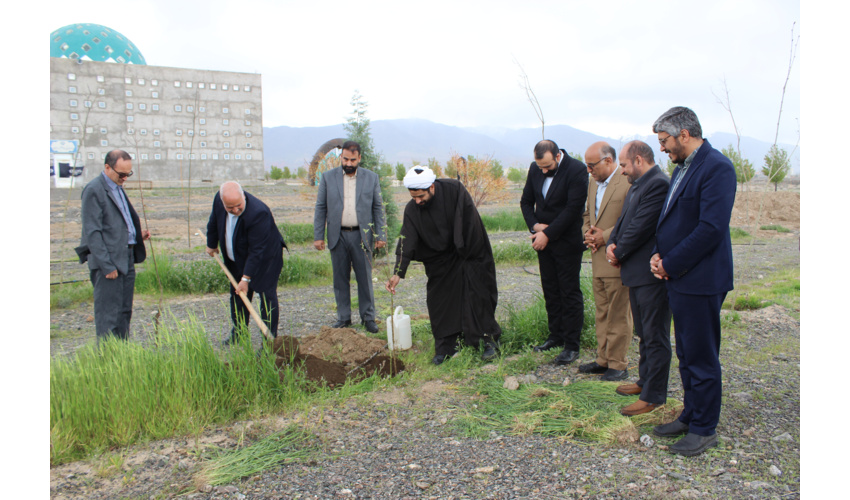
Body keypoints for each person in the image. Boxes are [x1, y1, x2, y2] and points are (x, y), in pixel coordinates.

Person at [648, 107, 736, 456]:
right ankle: (689, 414)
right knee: (685, 353)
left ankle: (704, 428)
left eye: (665, 141)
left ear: (684, 134)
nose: (663, 149)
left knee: (701, 356)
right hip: (678, 277)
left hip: (700, 279)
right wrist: (658, 253)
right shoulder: (682, 169)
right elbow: (672, 219)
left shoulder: (717, 168)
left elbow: (710, 229)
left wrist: (671, 262)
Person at [385, 166, 501, 364]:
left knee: (478, 295)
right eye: (413, 197)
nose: (417, 201)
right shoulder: (412, 209)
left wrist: (466, 252)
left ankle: (487, 341)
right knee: (440, 301)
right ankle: (447, 347)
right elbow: (407, 239)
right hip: (439, 259)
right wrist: (398, 272)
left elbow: (469, 222)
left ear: (432, 187)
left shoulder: (454, 190)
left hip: (469, 251)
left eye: (421, 196)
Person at [606, 141, 672, 417]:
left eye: (623, 165)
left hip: (649, 274)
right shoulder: (638, 184)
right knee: (644, 333)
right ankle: (645, 381)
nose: (621, 171)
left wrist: (618, 251)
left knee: (655, 335)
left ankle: (653, 396)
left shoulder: (658, 184)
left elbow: (642, 226)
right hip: (634, 272)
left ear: (638, 160)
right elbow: (624, 222)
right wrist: (611, 243)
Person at [519, 140, 588, 365]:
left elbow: (573, 209)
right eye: (541, 167)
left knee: (569, 292)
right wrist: (535, 227)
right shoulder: (535, 168)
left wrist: (547, 233)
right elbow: (526, 201)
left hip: (567, 242)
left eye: (547, 166)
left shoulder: (577, 170)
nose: (544, 171)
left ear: (558, 156)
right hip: (543, 241)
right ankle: (555, 336)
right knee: (550, 290)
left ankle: (571, 344)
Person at [313, 140, 386, 333]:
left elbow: (378, 208)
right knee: (340, 279)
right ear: (341, 157)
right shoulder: (328, 178)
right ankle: (343, 318)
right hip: (338, 236)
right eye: (345, 159)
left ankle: (368, 318)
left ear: (359, 158)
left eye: (353, 160)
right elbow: (321, 207)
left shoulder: (371, 178)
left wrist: (380, 235)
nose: (349, 163)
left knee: (365, 278)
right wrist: (318, 235)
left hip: (362, 237)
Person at [77, 149, 151, 342]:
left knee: (124, 311)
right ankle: (108, 361)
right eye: (122, 174)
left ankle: (122, 355)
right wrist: (106, 265)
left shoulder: (117, 187)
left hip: (126, 256)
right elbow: (92, 232)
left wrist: (135, 235)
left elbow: (116, 224)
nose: (125, 178)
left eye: (128, 174)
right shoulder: (94, 190)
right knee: (108, 314)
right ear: (107, 167)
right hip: (108, 262)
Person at [206, 181, 286, 343]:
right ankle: (240, 332)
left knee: (266, 297)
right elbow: (214, 221)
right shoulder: (218, 200)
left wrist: (246, 279)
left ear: (244, 196)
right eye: (230, 208)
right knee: (238, 295)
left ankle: (269, 341)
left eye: (238, 206)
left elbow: (257, 251)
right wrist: (211, 243)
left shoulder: (258, 213)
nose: (235, 210)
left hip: (265, 259)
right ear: (223, 202)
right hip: (236, 258)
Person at [579, 142, 633, 381]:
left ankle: (618, 363)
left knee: (618, 313)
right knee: (602, 311)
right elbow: (588, 214)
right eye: (587, 166)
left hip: (617, 257)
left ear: (608, 161)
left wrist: (605, 236)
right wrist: (587, 233)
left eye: (592, 166)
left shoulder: (626, 181)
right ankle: (603, 359)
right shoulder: (592, 182)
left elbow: (632, 219)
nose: (589, 170)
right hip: (597, 258)